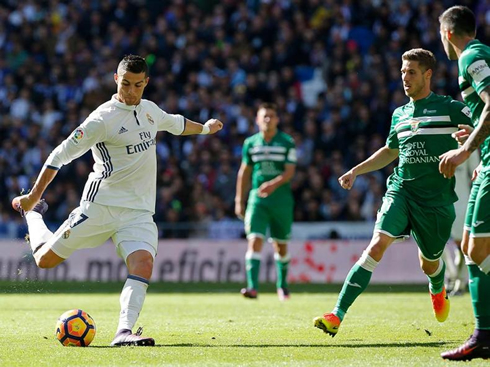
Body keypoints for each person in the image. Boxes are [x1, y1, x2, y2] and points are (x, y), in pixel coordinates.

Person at [11, 55, 223, 346]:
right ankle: (34, 214)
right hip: (99, 208)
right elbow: (59, 155)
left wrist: (207, 129)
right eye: (125, 83)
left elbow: (177, 123)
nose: (131, 91)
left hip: (138, 212)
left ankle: (123, 332)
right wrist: (34, 196)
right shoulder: (102, 119)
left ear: (146, 83)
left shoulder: (150, 111)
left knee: (143, 263)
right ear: (116, 79)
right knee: (44, 260)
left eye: (137, 85)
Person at [313, 48, 472, 337]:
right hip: (401, 191)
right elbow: (390, 151)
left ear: (427, 74)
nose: (405, 78)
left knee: (430, 262)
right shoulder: (400, 114)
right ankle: (336, 314)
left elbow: (483, 129)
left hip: (435, 202)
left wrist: (470, 149)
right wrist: (356, 171)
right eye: (402, 72)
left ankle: (437, 287)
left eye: (411, 72)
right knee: (376, 245)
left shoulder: (451, 108)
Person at [438, 5, 490, 361]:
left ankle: (483, 333)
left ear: (446, 34)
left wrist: (465, 151)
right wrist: (478, 139)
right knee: (472, 246)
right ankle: (483, 332)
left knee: (477, 249)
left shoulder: (471, 55)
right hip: (486, 161)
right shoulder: (476, 56)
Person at [234, 103, 296, 301]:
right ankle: (252, 287)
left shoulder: (287, 142)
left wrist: (272, 184)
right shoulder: (250, 143)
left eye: (271, 116)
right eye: (264, 116)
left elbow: (289, 171)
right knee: (255, 239)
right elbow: (244, 172)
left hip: (281, 200)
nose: (268, 119)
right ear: (257, 120)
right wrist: (239, 200)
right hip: (257, 199)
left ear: (277, 119)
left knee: (281, 246)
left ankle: (282, 286)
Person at [443, 152, 479, 297]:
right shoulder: (434, 136)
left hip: (461, 202)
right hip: (437, 201)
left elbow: (476, 173)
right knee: (435, 246)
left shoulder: (467, 142)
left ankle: (460, 283)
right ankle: (451, 276)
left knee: (462, 246)